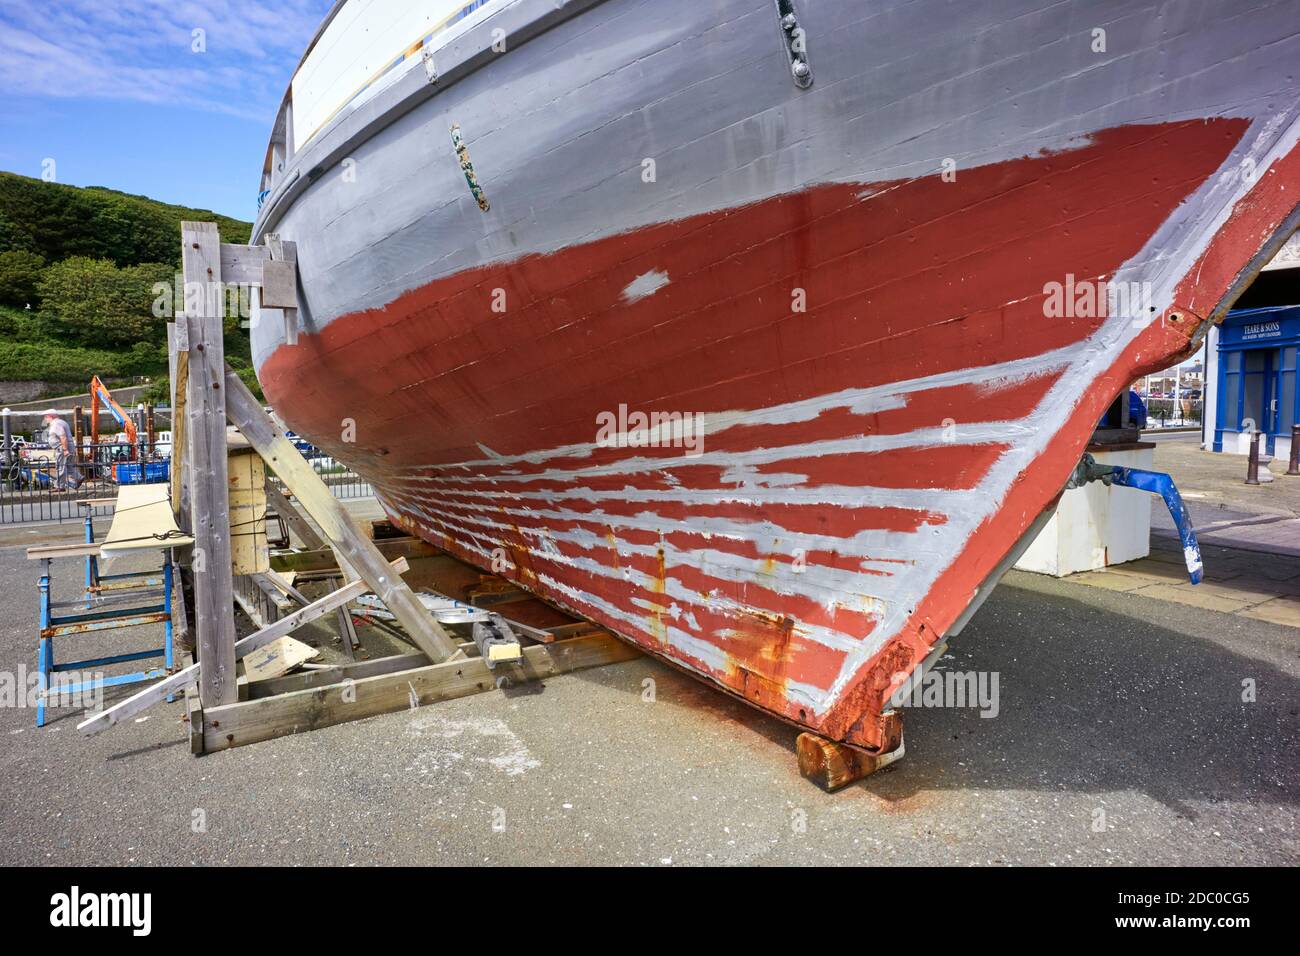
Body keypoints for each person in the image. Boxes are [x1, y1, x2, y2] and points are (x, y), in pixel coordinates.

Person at [41, 410, 80, 491]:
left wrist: (65, 449)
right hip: (65, 447)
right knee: (69, 466)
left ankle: (59, 486)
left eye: (46, 417)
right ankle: (78, 477)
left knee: (60, 466)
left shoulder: (56, 424)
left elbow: (63, 436)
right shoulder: (62, 422)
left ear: (50, 416)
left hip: (61, 448)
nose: (45, 419)